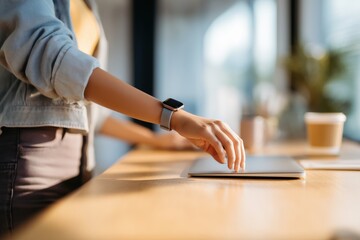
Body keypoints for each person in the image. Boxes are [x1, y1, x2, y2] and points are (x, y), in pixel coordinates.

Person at [0, 0, 246, 235]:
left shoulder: (87, 4)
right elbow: (49, 54)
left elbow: (92, 114)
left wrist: (155, 139)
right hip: (28, 166)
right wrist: (173, 117)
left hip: (80, 165)